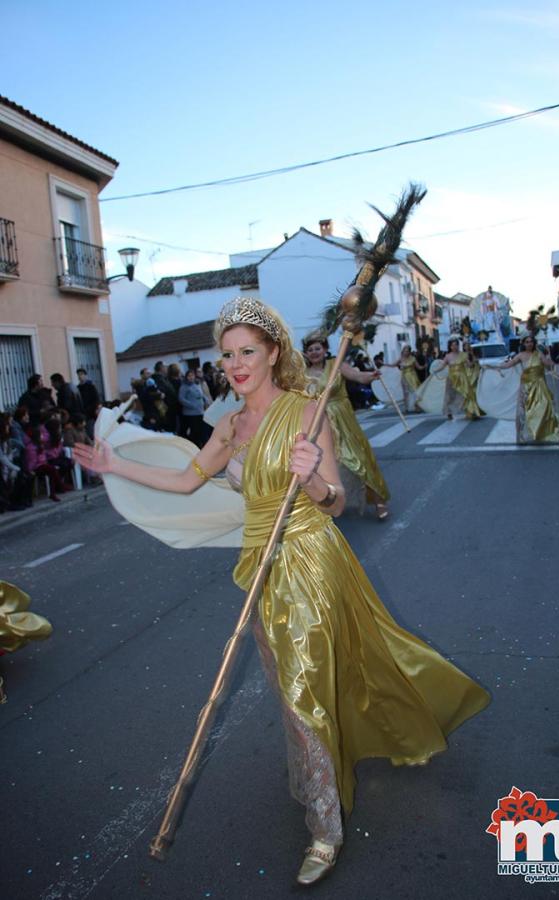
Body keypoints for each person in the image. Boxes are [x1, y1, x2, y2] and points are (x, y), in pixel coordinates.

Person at [74, 297, 489, 886]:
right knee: (291, 686)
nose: (237, 364)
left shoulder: (306, 411)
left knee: (302, 685)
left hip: (312, 561)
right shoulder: (230, 425)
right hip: (261, 569)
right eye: (227, 356)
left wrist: (312, 474)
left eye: (248, 352)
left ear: (273, 353)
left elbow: (337, 501)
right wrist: (116, 466)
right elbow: (186, 481)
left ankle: (326, 827)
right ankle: (321, 770)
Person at [303, 333, 390, 519]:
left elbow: (357, 376)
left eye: (317, 348)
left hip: (342, 420)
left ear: (325, 349)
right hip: (317, 423)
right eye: (310, 350)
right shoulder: (303, 374)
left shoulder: (335, 365)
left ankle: (379, 500)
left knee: (359, 459)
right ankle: (325, 505)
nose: (314, 352)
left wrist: (371, 375)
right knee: (319, 464)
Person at [487, 335, 559, 444]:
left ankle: (553, 433)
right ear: (523, 344)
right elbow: (508, 364)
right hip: (526, 387)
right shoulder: (520, 356)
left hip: (539, 387)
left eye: (531, 341)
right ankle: (520, 437)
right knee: (521, 412)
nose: (529, 344)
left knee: (547, 409)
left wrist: (550, 359)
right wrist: (493, 366)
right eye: (527, 342)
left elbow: (549, 365)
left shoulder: (538, 354)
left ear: (534, 343)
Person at [436, 339, 484, 420]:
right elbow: (443, 366)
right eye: (453, 345)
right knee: (449, 395)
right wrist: (435, 370)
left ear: (458, 346)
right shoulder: (448, 356)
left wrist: (475, 362)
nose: (455, 347)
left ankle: (470, 411)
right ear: (450, 347)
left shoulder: (463, 355)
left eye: (456, 345)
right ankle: (449, 412)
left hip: (462, 378)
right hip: (451, 378)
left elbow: (469, 365)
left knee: (466, 394)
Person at [383, 345, 425, 412]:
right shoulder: (401, 359)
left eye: (407, 351)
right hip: (404, 377)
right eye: (405, 351)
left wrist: (424, 366)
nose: (406, 352)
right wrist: (384, 364)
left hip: (412, 377)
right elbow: (393, 365)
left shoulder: (413, 358)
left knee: (415, 391)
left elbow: (418, 367)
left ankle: (417, 407)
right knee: (406, 392)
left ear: (409, 352)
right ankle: (406, 408)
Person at [178, 369, 214, 448]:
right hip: (191, 413)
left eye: (192, 375)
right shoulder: (184, 386)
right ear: (186, 377)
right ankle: (194, 446)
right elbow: (181, 398)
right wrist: (191, 405)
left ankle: (201, 445)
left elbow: (201, 394)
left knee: (201, 430)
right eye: (189, 376)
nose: (191, 377)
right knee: (194, 431)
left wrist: (205, 400)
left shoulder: (196, 383)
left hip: (200, 411)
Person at [76, 368, 100, 435]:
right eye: (78, 374)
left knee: (91, 433)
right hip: (81, 416)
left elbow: (96, 400)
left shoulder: (91, 387)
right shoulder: (77, 388)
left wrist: (90, 410)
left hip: (90, 415)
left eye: (81, 374)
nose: (80, 376)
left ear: (85, 375)